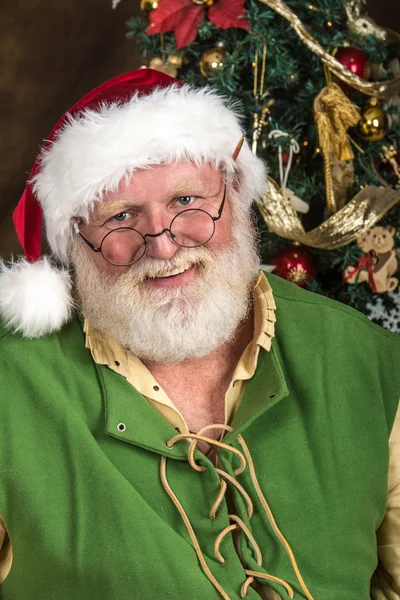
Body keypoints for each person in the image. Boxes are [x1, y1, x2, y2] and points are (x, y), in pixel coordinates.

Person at [0, 68, 399, 600]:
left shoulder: (362, 356)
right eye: (121, 216)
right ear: (76, 240)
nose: (163, 245)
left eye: (186, 201)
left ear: (235, 194)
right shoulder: (10, 389)